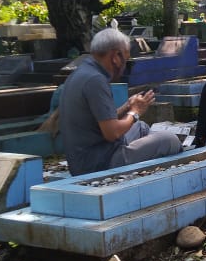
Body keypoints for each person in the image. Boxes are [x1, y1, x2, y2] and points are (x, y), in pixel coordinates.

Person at [58, 28, 181, 176]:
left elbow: (101, 121)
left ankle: (145, 168)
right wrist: (135, 112)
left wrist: (126, 107)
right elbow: (112, 133)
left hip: (87, 157)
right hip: (100, 163)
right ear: (116, 56)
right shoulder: (95, 81)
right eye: (126, 61)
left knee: (141, 127)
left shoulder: (82, 72)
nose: (124, 68)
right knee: (169, 140)